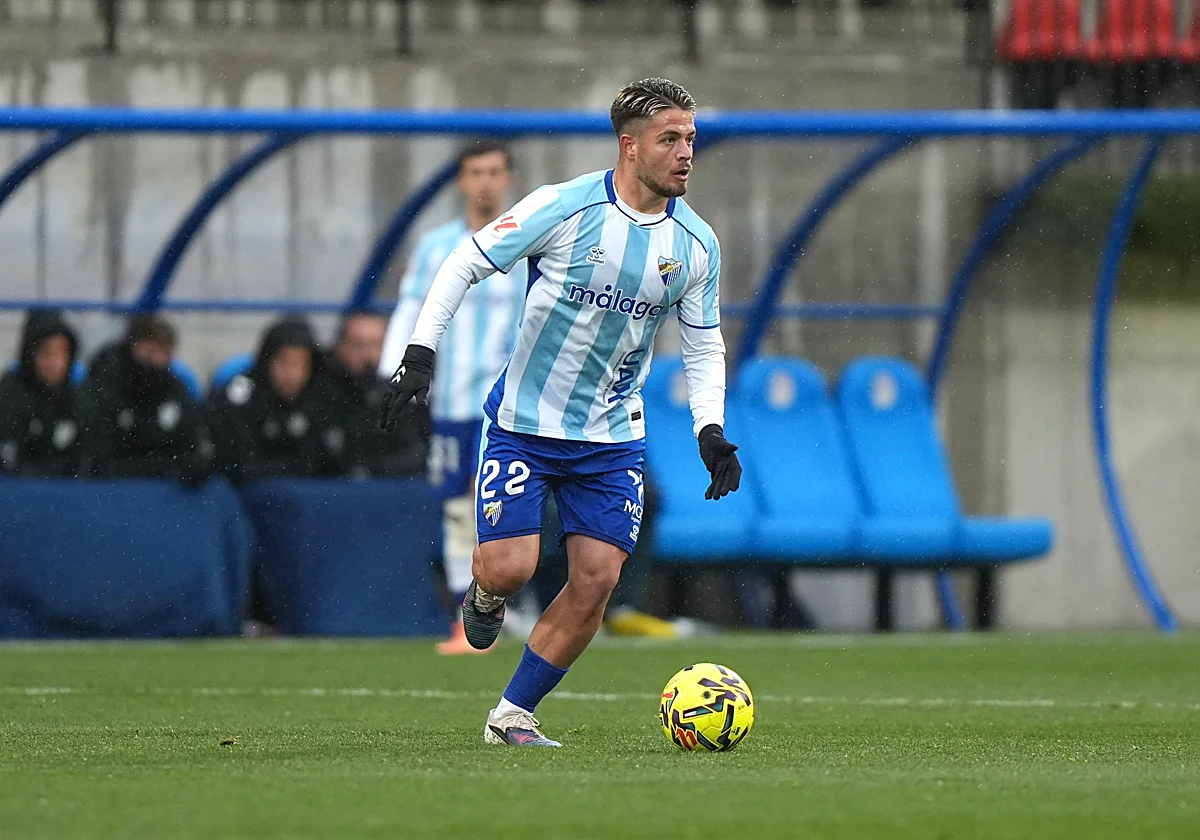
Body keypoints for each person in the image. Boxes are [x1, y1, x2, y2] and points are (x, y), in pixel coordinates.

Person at [380, 78, 742, 747]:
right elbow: (465, 261)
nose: (686, 151)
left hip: (610, 440)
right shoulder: (564, 208)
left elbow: (703, 344)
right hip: (525, 425)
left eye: (691, 138)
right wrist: (421, 355)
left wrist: (709, 430)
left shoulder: (696, 246)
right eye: (671, 138)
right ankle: (485, 597)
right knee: (512, 567)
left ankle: (512, 715)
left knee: (597, 580)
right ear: (630, 147)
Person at [379, 139, 526, 656]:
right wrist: (392, 371)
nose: (484, 182)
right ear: (462, 181)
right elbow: (412, 309)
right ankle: (471, 616)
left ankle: (500, 604)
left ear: (507, 179)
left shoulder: (528, 241)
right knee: (460, 511)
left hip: (510, 405)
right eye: (474, 172)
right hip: (452, 405)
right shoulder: (437, 247)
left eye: (493, 172)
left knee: (497, 509)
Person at [208, 317, 347, 483]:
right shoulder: (242, 398)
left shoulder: (323, 396)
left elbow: (336, 462)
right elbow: (239, 464)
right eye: (284, 362)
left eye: (300, 364)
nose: (291, 373)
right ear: (267, 361)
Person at [81, 315, 213, 484]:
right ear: (132, 348)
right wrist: (160, 466)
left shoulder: (174, 390)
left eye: (164, 353)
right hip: (116, 492)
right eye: (150, 352)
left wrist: (188, 466)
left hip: (166, 493)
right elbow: (100, 458)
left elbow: (194, 443)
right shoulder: (104, 389)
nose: (157, 361)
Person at [326, 311, 426, 478]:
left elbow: (416, 453)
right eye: (358, 344)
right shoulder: (323, 394)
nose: (367, 354)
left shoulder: (400, 396)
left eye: (375, 344)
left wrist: (373, 468)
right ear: (341, 346)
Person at [0, 309, 84, 477]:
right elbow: (9, 458)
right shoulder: (10, 394)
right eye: (46, 352)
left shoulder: (80, 396)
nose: (55, 363)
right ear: (31, 355)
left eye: (62, 352)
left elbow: (90, 458)